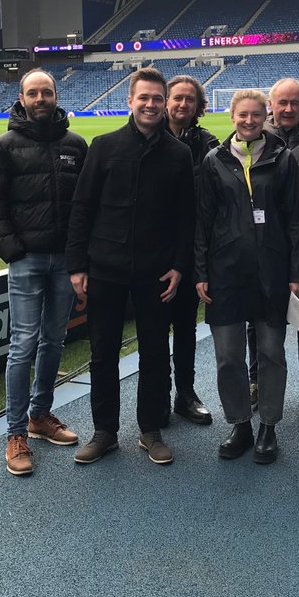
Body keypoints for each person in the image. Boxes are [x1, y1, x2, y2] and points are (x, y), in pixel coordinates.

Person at [65, 67, 195, 466]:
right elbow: (82, 207)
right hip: (105, 268)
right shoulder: (103, 146)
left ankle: (150, 430)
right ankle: (105, 432)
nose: (152, 104)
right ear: (130, 101)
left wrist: (179, 265)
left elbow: (186, 216)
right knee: (103, 352)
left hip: (156, 271)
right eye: (145, 98)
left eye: (158, 98)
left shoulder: (179, 153)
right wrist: (77, 265)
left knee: (155, 353)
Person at [0, 68, 88, 477]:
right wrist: (13, 251)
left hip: (66, 262)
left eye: (47, 92)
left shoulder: (76, 145)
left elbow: (86, 206)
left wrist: (80, 256)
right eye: (33, 93)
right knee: (23, 343)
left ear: (56, 96)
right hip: (27, 261)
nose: (41, 98)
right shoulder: (3, 147)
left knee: (54, 340)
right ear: (21, 99)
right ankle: (15, 432)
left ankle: (41, 416)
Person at [195, 90, 299, 463]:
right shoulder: (215, 161)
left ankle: (268, 426)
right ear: (232, 117)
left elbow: (296, 219)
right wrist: (201, 272)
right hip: (226, 272)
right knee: (228, 357)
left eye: (256, 115)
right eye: (242, 115)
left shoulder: (283, 158)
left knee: (271, 353)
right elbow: (203, 221)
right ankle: (240, 422)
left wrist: (296, 272)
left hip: (272, 271)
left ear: (266, 117)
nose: (249, 121)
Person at [246, 77, 299, 416]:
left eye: (294, 102)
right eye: (282, 102)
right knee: (258, 319)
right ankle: (256, 380)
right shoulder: (254, 140)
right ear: (271, 104)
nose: (288, 109)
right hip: (262, 249)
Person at [162, 75, 219, 426]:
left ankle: (185, 393)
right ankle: (156, 395)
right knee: (154, 331)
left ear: (198, 106)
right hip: (153, 252)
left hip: (192, 250)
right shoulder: (147, 138)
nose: (183, 105)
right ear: (167, 101)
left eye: (190, 100)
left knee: (185, 329)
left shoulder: (209, 144)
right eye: (177, 98)